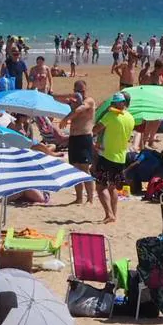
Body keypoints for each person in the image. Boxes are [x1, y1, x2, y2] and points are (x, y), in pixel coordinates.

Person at [93, 92, 135, 224]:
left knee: (100, 187)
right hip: (120, 157)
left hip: (107, 156)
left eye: (116, 102)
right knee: (112, 187)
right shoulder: (130, 117)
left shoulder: (110, 116)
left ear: (121, 103)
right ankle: (113, 215)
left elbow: (95, 129)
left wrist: (106, 112)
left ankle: (109, 214)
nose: (115, 104)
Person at [59, 80, 96, 204]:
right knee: (75, 169)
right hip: (74, 138)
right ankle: (79, 198)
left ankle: (90, 198)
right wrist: (50, 95)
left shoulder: (89, 101)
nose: (80, 93)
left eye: (82, 90)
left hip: (84, 137)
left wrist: (66, 119)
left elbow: (81, 109)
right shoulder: (73, 102)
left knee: (84, 168)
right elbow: (59, 100)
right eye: (78, 91)